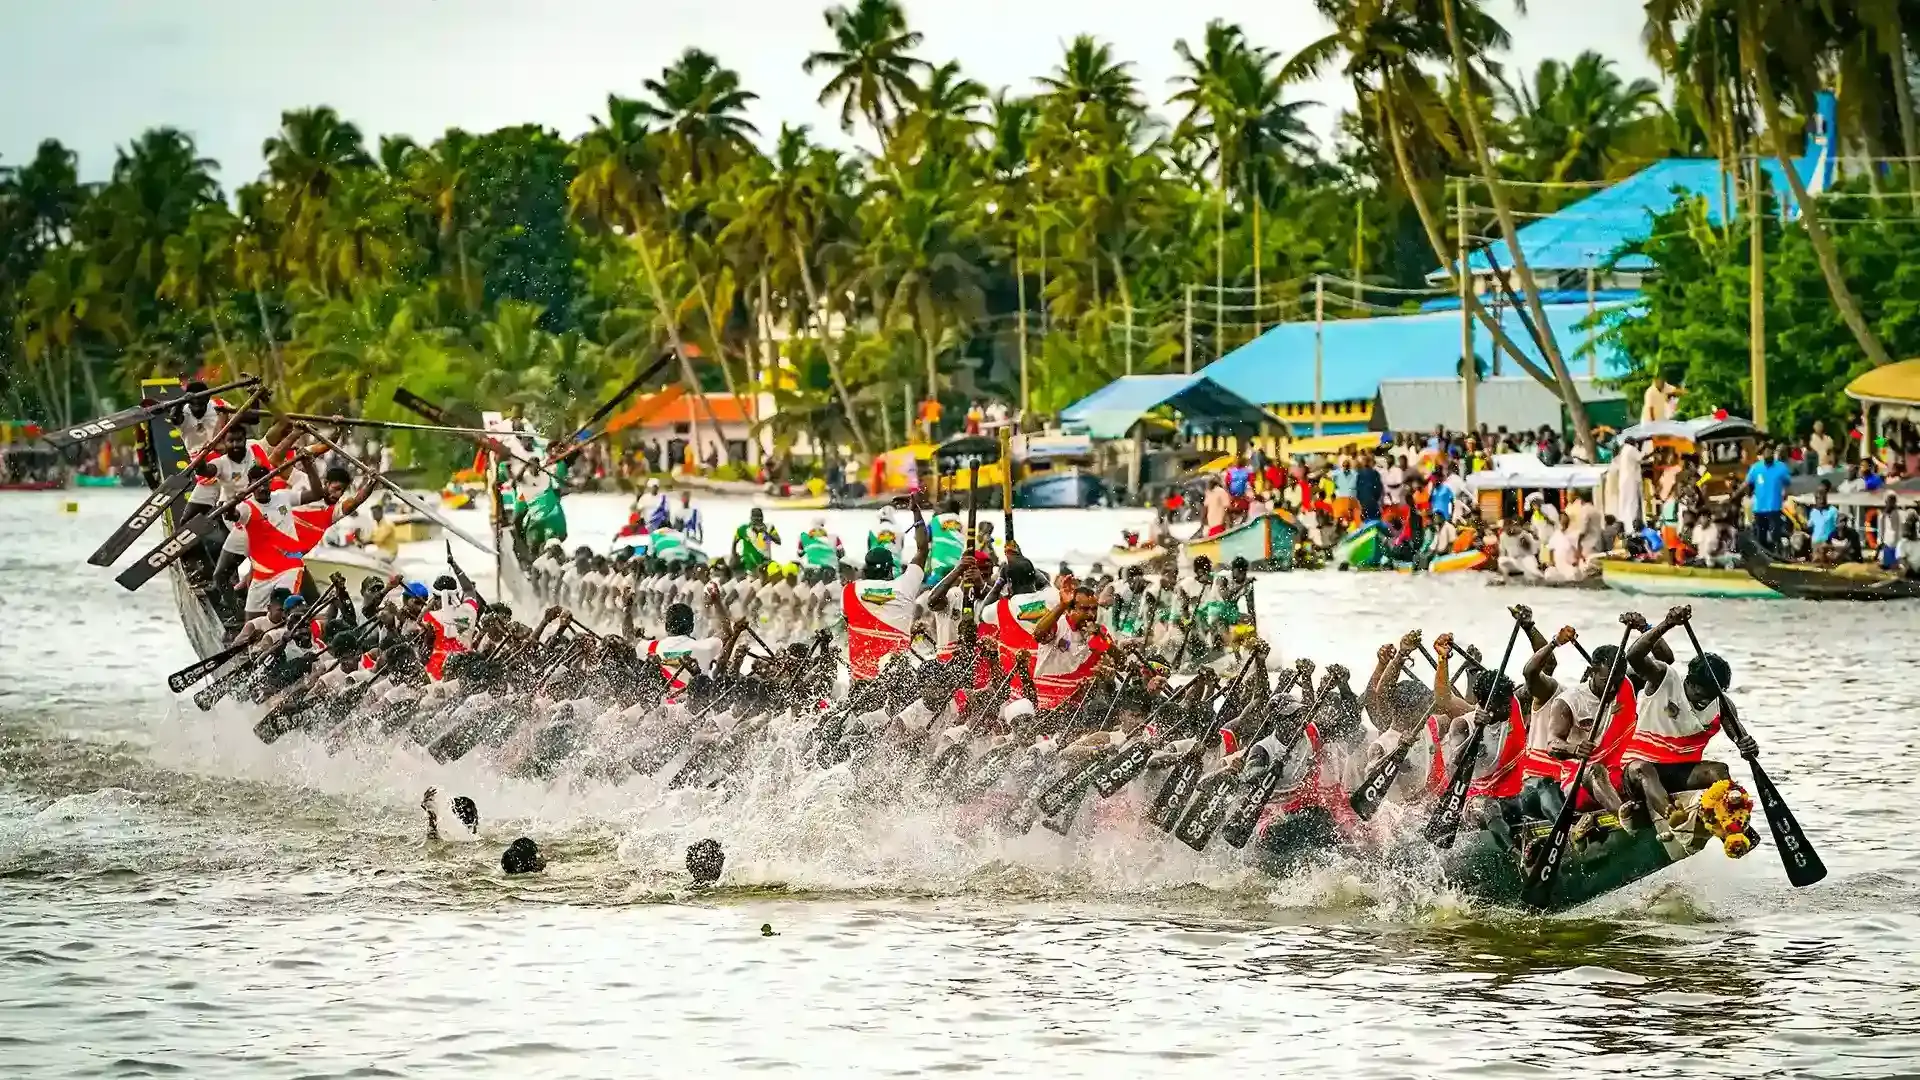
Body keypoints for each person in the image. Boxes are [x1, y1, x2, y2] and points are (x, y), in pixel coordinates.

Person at [1620, 606, 1755, 836]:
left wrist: (1748, 745)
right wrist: (1667, 624)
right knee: (1643, 769)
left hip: (1681, 773)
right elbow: (1634, 656)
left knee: (1719, 771)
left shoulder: (1722, 703)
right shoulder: (1664, 678)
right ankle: (1672, 815)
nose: (1705, 701)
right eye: (1701, 694)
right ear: (1690, 683)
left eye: (1711, 695)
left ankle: (1731, 825)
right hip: (1638, 772)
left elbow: (1742, 740)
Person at [843, 495, 930, 681]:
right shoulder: (905, 585)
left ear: (865, 569)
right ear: (891, 569)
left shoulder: (849, 591)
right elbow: (923, 549)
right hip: (897, 681)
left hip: (861, 683)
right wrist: (916, 511)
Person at [1738, 445, 1792, 553]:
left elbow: (1788, 483)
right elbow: (1746, 483)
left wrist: (1785, 492)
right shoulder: (1756, 467)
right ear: (1762, 456)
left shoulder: (1781, 467)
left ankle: (1777, 555)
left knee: (1775, 536)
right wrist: (1734, 495)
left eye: (1770, 453)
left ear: (1773, 454)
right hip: (1759, 509)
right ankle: (1763, 556)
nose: (1768, 456)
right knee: (1761, 536)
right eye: (1765, 454)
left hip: (1774, 508)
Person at [731, 508, 780, 572]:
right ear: (751, 519)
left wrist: (766, 533)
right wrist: (735, 557)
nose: (759, 521)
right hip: (749, 566)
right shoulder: (743, 529)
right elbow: (734, 542)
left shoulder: (769, 528)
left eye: (761, 518)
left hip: (765, 564)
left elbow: (778, 541)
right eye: (756, 519)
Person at [1806, 482, 1839, 561]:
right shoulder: (1813, 511)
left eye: (1823, 499)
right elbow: (1809, 525)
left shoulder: (1833, 510)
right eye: (1818, 499)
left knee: (1827, 562)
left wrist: (1830, 540)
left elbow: (1837, 527)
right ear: (1815, 500)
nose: (1821, 501)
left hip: (1828, 543)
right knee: (1816, 562)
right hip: (1815, 542)